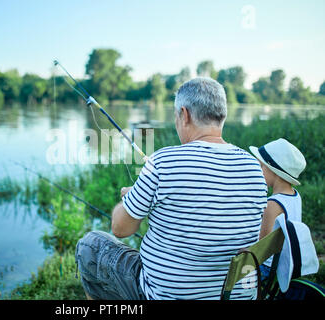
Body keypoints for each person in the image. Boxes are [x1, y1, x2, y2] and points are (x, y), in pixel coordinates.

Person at [75, 77, 267, 300]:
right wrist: (142, 196)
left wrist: (133, 198)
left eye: (176, 116)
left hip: (165, 296)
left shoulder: (164, 161)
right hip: (235, 295)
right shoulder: (254, 167)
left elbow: (120, 229)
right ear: (222, 115)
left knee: (90, 245)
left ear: (184, 115)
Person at [249, 138, 306, 280]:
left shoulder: (272, 204)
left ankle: (247, 293)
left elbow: (261, 251)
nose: (258, 171)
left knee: (229, 265)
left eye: (261, 166)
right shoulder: (295, 196)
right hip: (285, 261)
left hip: (267, 268)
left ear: (274, 171)